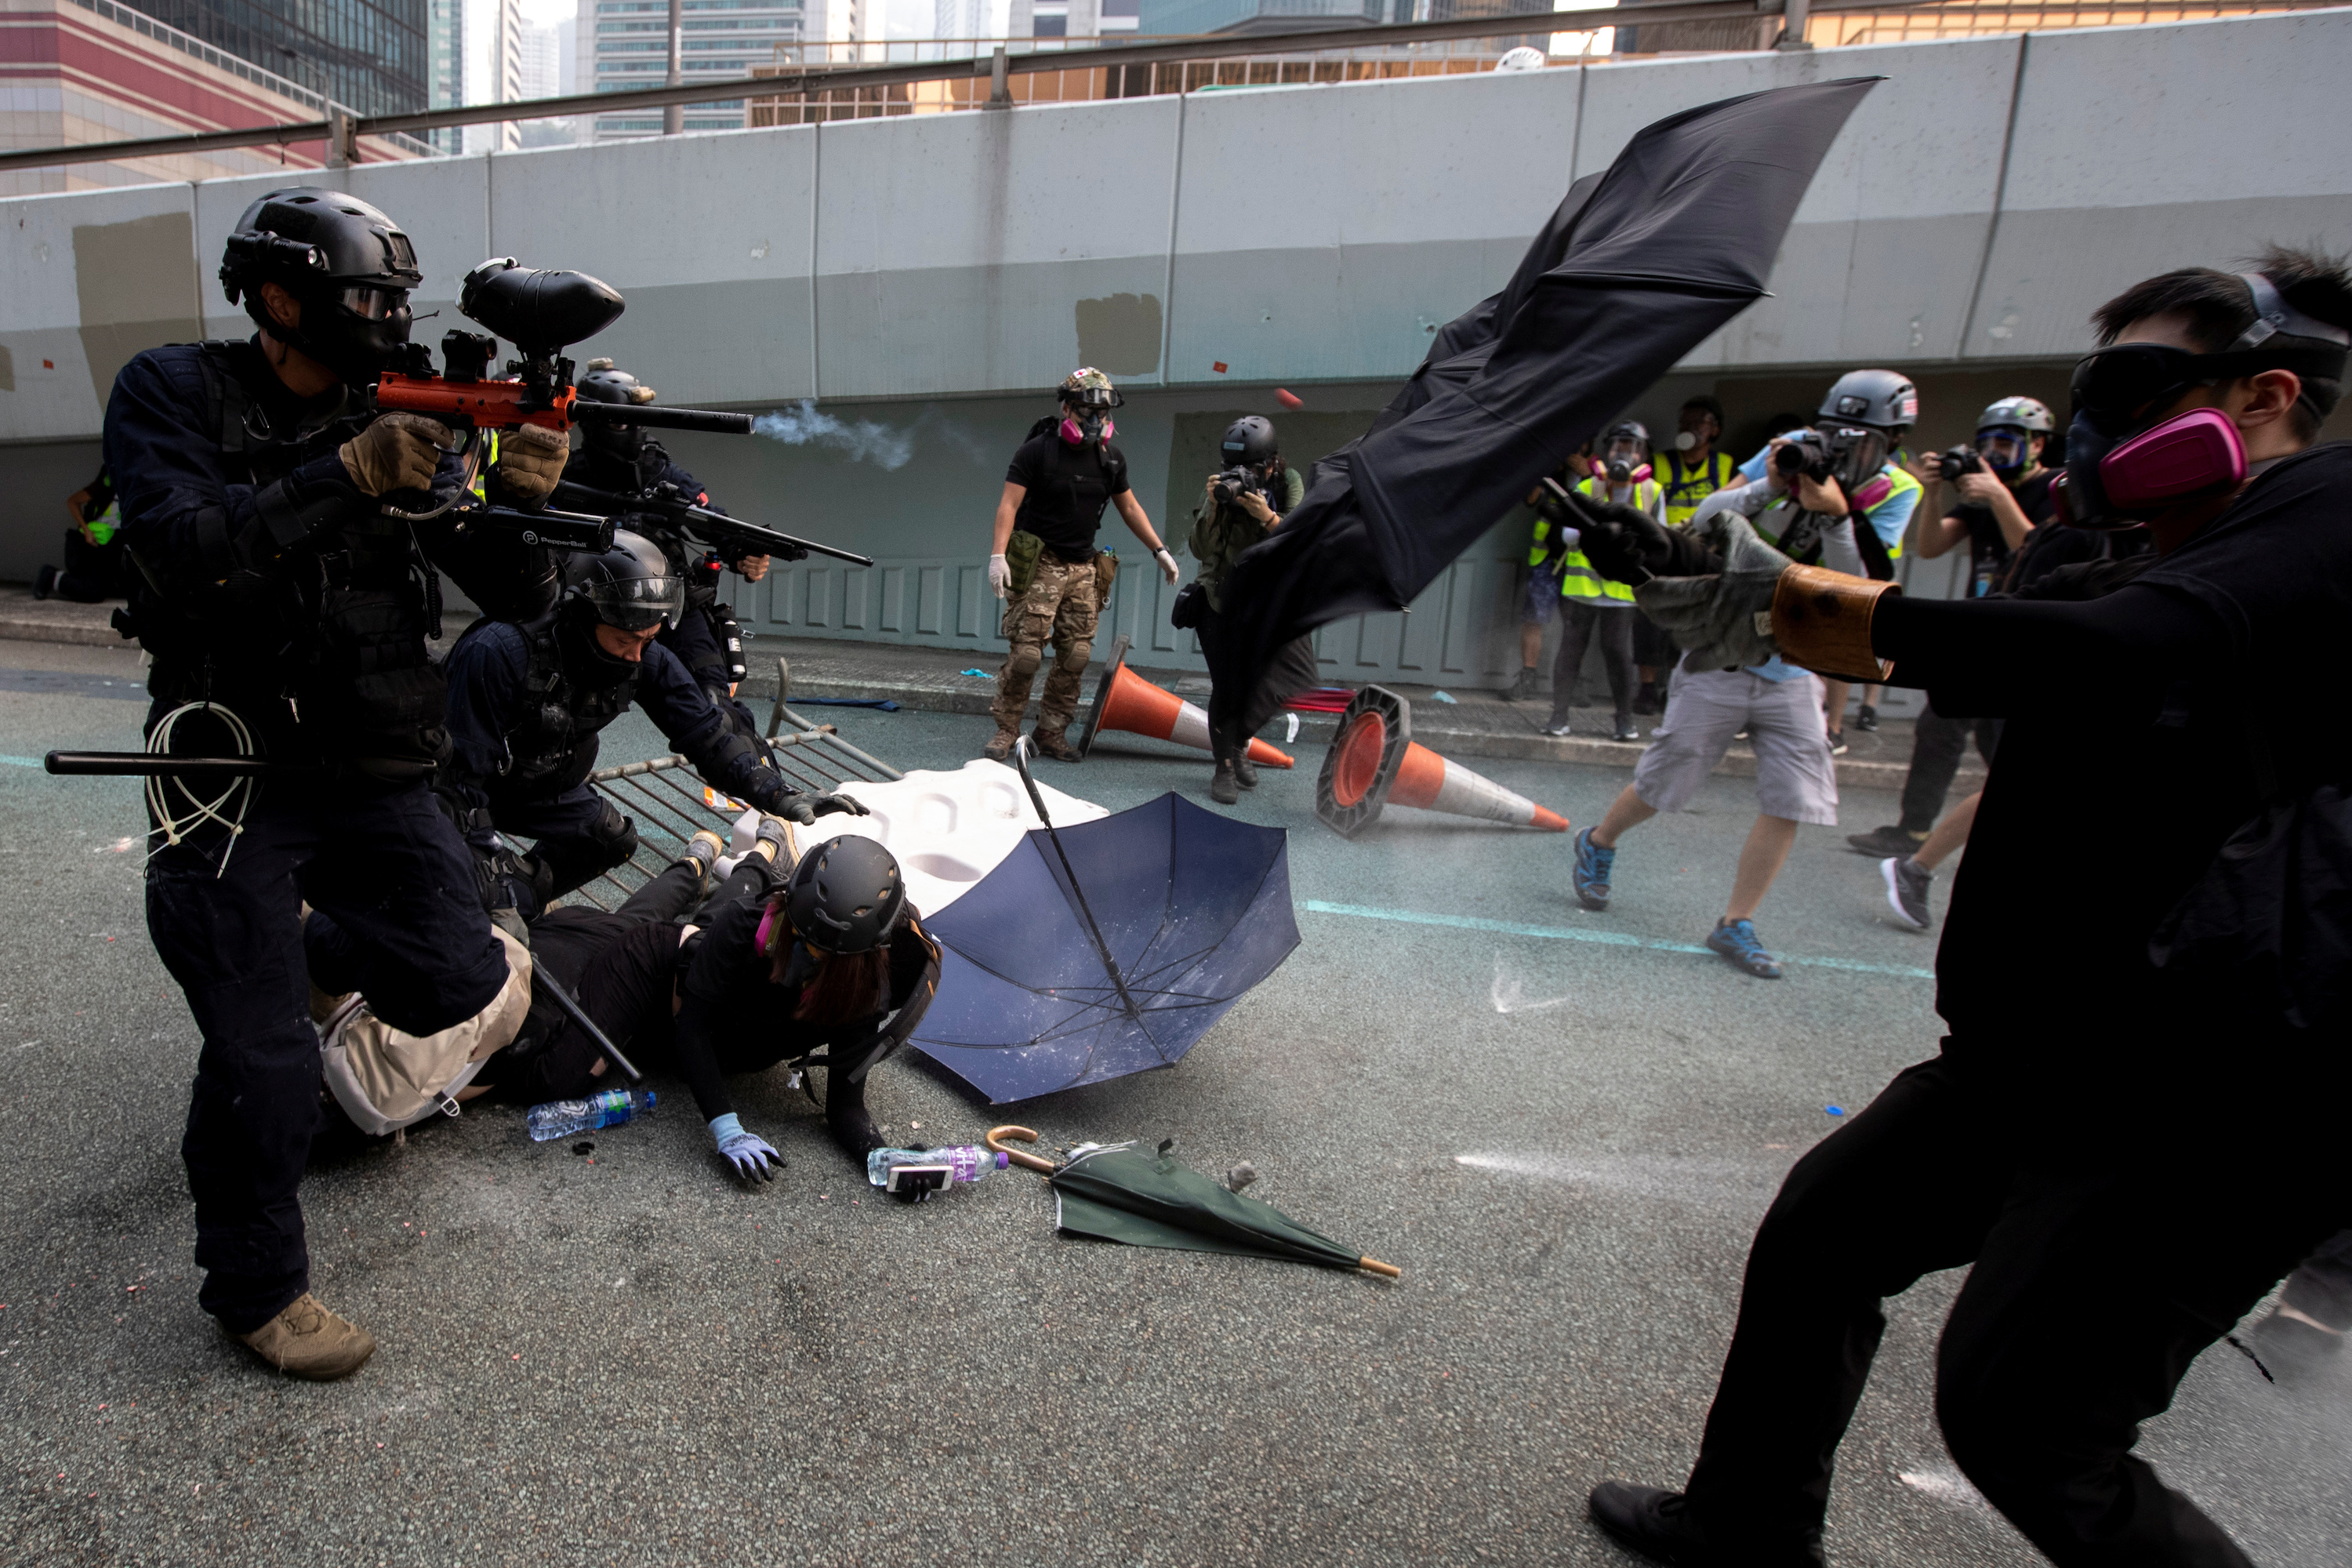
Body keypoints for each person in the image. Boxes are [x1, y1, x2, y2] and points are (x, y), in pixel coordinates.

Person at [1581, 248, 2352, 1568]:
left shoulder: (2322, 517)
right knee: (1827, 1233)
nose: (2096, 427)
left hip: (2208, 1088)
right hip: (2047, 1053)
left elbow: (2117, 653)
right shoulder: (2124, 541)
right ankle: (1747, 1526)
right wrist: (1687, 573)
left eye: (2139, 389)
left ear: (2270, 394)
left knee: (2026, 1421)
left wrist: (1772, 596)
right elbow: (1993, 651)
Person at [102, 186, 575, 1379]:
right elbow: (174, 547)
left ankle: (306, 960)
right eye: (364, 298)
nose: (382, 321)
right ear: (276, 297)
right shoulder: (174, 392)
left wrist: (516, 499)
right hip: (228, 768)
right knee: (258, 1055)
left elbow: (514, 599)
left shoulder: (407, 415)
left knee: (462, 975)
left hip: (369, 770)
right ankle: (259, 1293)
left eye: (394, 303)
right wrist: (346, 473)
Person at [1563, 374, 1919, 978]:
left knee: (1794, 797)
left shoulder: (1894, 489)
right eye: (1834, 433)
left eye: (1862, 440)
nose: (1838, 449)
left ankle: (1736, 922)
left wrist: (1835, 518)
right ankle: (1599, 841)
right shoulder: (1792, 448)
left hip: (1794, 665)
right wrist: (1768, 486)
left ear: (1893, 441)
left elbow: (1858, 586)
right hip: (1724, 645)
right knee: (1665, 780)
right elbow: (1710, 516)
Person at [475, 822, 940, 1182]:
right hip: (655, 969)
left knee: (649, 923)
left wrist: (877, 1153)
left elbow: (846, 1108)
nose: (802, 953)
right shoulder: (752, 924)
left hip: (700, 970)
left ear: (861, 956)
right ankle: (724, 863)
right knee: (557, 1070)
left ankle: (721, 863)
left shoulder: (863, 989)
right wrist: (725, 1126)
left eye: (822, 954)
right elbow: (693, 1028)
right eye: (797, 934)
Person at [440, 529, 864, 918]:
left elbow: (707, 734)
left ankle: (524, 901)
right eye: (625, 640)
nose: (637, 654)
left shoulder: (645, 653)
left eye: (647, 639)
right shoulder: (500, 651)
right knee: (463, 885)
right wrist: (489, 882)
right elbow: (458, 787)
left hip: (539, 784)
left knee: (609, 840)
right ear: (583, 615)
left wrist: (777, 792)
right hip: (460, 791)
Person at [1847, 397, 2060, 859]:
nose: (1994, 456)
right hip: (1980, 633)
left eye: (2005, 445)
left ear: (2038, 444)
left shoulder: (2054, 490)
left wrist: (2000, 497)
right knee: (1939, 728)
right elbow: (1929, 547)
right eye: (1987, 445)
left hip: (2027, 639)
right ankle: (1913, 831)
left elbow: (2040, 552)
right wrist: (1935, 493)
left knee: (2002, 743)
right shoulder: (1980, 497)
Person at [568, 359, 771, 742]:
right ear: (593, 423)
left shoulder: (659, 471)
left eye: (635, 419)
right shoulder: (567, 476)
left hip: (670, 606)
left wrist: (741, 551)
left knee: (718, 706)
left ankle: (761, 787)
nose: (631, 430)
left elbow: (711, 520)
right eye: (619, 421)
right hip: (597, 614)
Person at [983, 368, 1179, 762]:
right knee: (1026, 655)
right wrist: (998, 555)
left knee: (1075, 656)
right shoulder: (1038, 451)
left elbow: (1129, 506)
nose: (1095, 421)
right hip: (1041, 564)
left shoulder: (1110, 458)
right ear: (1067, 408)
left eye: (1102, 413)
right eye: (1086, 411)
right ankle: (1007, 729)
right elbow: (1009, 504)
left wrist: (1159, 550)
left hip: (1084, 569)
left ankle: (1051, 731)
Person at [1187, 414, 1312, 804]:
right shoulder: (1221, 489)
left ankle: (1239, 741)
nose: (1239, 475)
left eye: (1252, 468)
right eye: (1231, 467)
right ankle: (1223, 767)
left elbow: (1301, 543)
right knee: (1227, 688)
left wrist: (1268, 517)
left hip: (1271, 601)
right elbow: (1198, 549)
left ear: (1273, 464)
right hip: (1220, 597)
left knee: (1296, 674)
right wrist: (1212, 507)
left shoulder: (1288, 484)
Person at [1541, 422, 1660, 742]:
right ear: (1606, 450)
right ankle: (1559, 715)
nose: (1624, 452)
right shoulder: (1586, 487)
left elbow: (1660, 542)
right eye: (1618, 445)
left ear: (1643, 453)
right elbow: (1567, 534)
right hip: (1582, 588)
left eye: (1633, 446)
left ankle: (1624, 720)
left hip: (1622, 591)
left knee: (1619, 654)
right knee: (1569, 652)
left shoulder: (1652, 491)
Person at [1635, 396, 1738, 713]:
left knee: (1690, 623)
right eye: (1685, 422)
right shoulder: (1662, 464)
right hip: (1664, 556)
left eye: (1699, 422)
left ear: (1715, 429)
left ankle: (1676, 688)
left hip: (1703, 560)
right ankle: (1648, 689)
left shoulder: (1726, 466)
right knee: (1650, 622)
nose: (1690, 428)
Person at [1501, 446, 1595, 704]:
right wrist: (1548, 465)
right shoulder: (1553, 469)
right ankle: (1527, 679)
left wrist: (1589, 476)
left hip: (1580, 561)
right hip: (1545, 557)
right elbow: (1531, 499)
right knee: (1534, 618)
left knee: (1575, 624)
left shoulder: (1599, 472)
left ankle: (1572, 683)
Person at [34, 465, 128, 602]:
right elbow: (72, 502)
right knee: (92, 593)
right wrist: (86, 531)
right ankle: (52, 576)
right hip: (92, 545)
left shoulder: (135, 491)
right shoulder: (105, 486)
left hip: (113, 549)